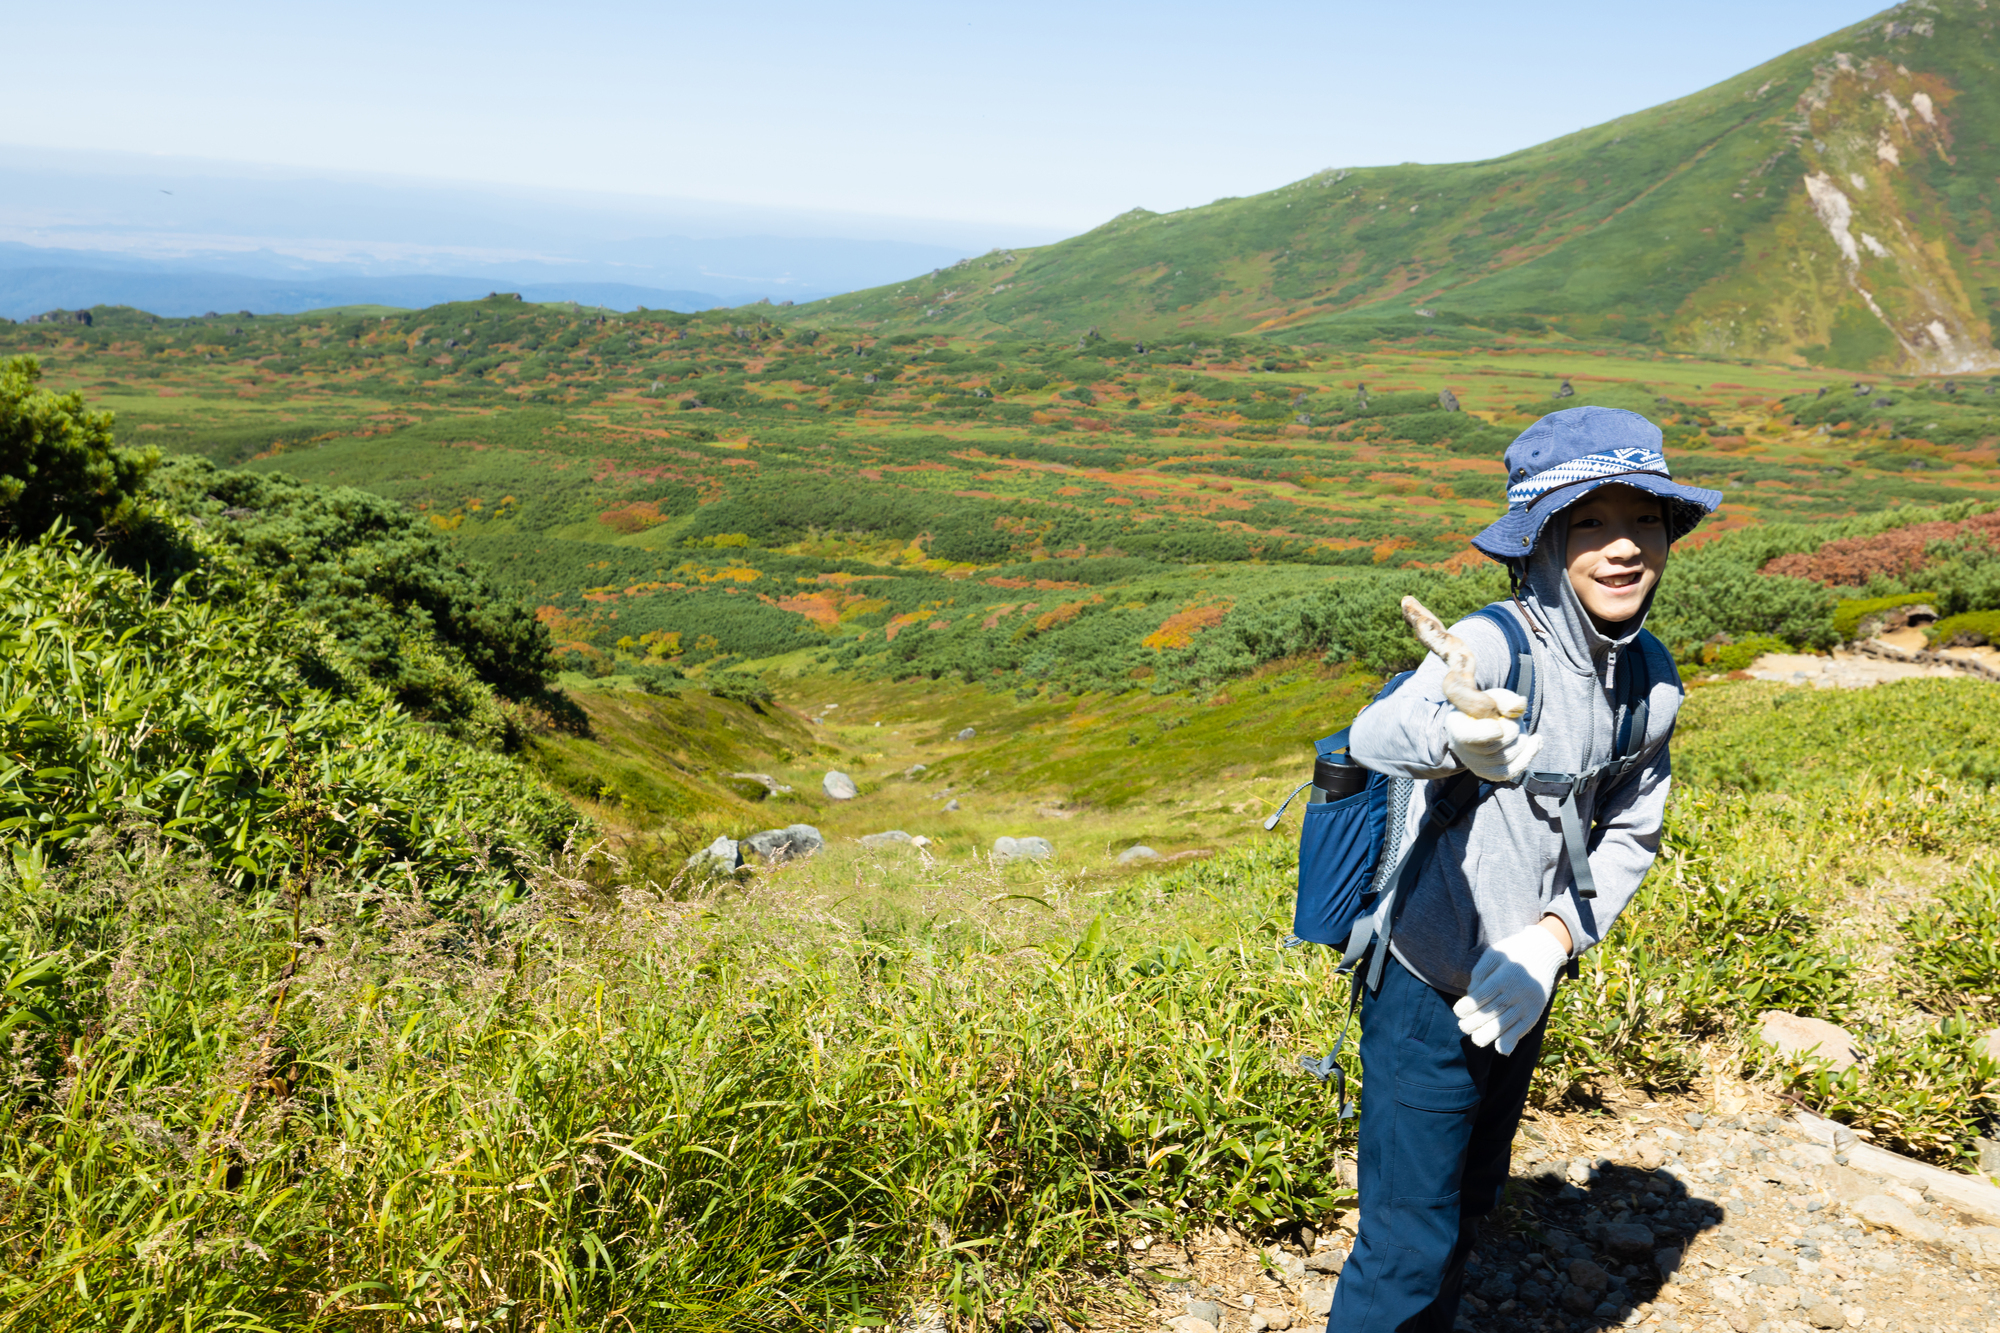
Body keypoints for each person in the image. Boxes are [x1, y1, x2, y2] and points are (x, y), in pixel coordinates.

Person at [1330, 406, 1722, 1331]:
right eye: (1590, 523)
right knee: (1404, 1239)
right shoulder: (1497, 641)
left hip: (1524, 986)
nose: (1624, 547)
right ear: (1541, 543)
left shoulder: (1650, 678)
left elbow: (1632, 828)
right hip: (1427, 987)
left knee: (1469, 1202)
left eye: (1645, 521)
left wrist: (1553, 940)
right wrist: (1456, 734)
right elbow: (1377, 732)